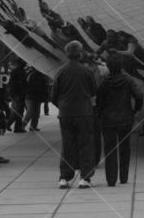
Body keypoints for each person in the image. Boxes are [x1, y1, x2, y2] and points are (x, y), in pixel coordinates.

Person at [52, 40, 99, 189]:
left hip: (65, 112)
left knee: (67, 144)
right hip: (83, 112)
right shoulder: (86, 71)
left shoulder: (60, 71)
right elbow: (93, 91)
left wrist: (62, 105)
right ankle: (85, 177)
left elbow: (53, 95)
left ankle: (64, 177)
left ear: (67, 54)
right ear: (80, 54)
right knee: (85, 144)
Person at [96, 54, 144, 187]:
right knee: (125, 148)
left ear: (109, 67)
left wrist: (100, 113)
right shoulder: (128, 80)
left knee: (109, 149)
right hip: (125, 118)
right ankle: (123, 177)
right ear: (121, 67)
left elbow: (99, 101)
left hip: (107, 119)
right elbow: (139, 95)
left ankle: (111, 179)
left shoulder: (104, 83)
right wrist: (136, 110)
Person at [24, 66, 49, 131]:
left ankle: (32, 126)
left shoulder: (37, 75)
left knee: (35, 112)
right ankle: (25, 126)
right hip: (32, 96)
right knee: (31, 112)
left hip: (35, 96)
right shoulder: (34, 75)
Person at [7, 58, 28, 133]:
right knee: (18, 111)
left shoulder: (17, 71)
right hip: (18, 94)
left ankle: (17, 127)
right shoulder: (20, 72)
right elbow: (21, 83)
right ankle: (9, 124)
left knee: (19, 111)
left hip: (17, 93)